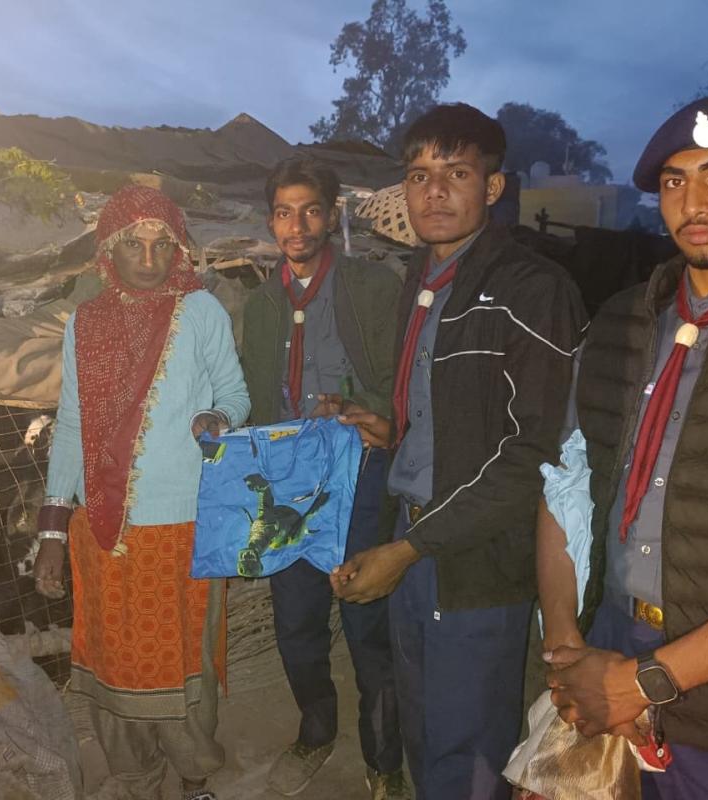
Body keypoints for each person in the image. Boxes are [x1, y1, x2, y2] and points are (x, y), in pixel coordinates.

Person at [331, 103, 588, 800]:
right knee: (422, 726)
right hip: (411, 530)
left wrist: (408, 550)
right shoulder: (421, 280)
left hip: (475, 557)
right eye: (419, 175)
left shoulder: (533, 289)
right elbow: (446, 410)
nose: (434, 192)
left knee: (469, 747)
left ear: (493, 187)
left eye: (457, 173)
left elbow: (532, 454)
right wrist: (391, 429)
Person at [539, 93, 708, 798]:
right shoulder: (619, 322)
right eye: (673, 181)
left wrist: (647, 680)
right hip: (607, 642)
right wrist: (566, 647)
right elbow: (567, 481)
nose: (693, 202)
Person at [33, 184, 251, 800]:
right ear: (109, 250)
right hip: (105, 529)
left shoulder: (200, 311)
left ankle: (194, 778)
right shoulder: (86, 322)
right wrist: (52, 532)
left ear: (179, 250)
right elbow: (71, 426)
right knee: (116, 659)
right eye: (134, 244)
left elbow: (236, 394)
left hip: (185, 526)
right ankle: (135, 778)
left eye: (162, 245)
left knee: (185, 660)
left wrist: (218, 417)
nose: (149, 259)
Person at [239, 157, 408, 799]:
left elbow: (404, 379)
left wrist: (373, 412)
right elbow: (255, 395)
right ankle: (315, 729)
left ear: (331, 215)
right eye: (284, 213)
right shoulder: (259, 304)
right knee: (296, 620)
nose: (297, 226)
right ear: (271, 221)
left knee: (368, 621)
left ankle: (384, 758)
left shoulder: (373, 287)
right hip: (289, 480)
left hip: (359, 473)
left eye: (310, 210)